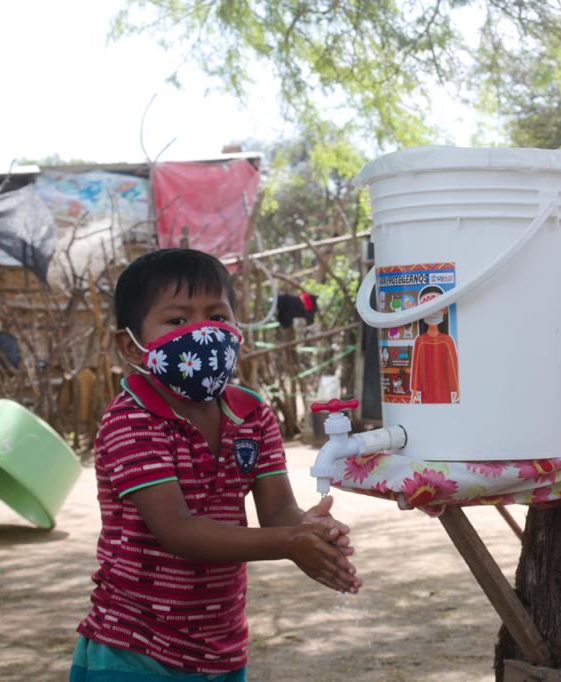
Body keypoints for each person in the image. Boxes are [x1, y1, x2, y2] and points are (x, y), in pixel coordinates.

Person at [71, 248, 361, 682]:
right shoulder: (131, 420)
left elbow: (278, 510)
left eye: (217, 317)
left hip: (222, 649)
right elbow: (179, 531)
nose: (202, 333)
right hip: (135, 648)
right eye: (176, 320)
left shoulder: (252, 415)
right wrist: (289, 543)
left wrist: (309, 528)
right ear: (129, 344)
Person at [409, 286, 459, 404]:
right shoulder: (419, 341)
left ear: (444, 311)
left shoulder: (447, 340)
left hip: (444, 388)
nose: (433, 314)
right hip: (427, 389)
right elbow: (416, 367)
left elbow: (452, 367)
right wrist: (415, 389)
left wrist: (456, 388)